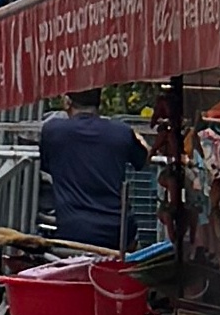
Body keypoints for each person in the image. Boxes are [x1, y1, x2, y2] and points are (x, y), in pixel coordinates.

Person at [35, 86, 148, 250]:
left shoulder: (53, 131)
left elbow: (47, 165)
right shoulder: (121, 132)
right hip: (117, 232)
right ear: (99, 102)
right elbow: (143, 161)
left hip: (72, 229)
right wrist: (140, 140)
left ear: (67, 102)